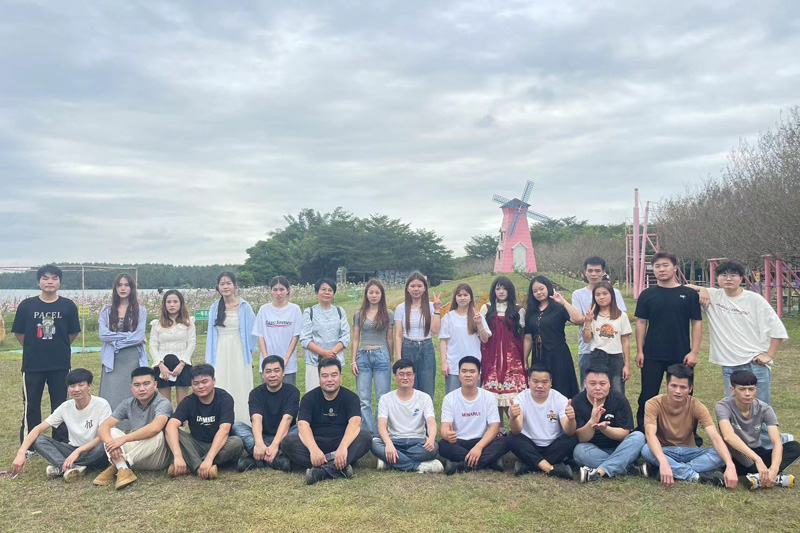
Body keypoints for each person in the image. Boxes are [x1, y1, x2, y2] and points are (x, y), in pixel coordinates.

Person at [687, 260, 788, 447]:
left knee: (760, 408)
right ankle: (742, 447)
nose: (728, 279)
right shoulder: (714, 296)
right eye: (723, 275)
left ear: (741, 278)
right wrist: (702, 290)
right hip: (729, 365)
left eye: (733, 275)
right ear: (717, 278)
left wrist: (769, 355)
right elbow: (683, 287)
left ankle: (769, 445)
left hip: (755, 363)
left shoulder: (754, 300)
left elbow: (777, 330)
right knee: (736, 408)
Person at [12, 264, 80, 444]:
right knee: (31, 406)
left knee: (61, 405)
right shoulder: (26, 306)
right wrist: (34, 347)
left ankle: (60, 442)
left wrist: (57, 346)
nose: (50, 282)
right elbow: (19, 333)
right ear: (38, 282)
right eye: (45, 278)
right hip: (33, 365)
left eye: (54, 278)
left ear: (60, 282)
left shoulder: (68, 306)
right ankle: (30, 444)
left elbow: (72, 333)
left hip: (60, 365)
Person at [634, 252, 702, 429]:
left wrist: (694, 352)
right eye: (657, 266)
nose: (661, 269)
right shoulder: (647, 294)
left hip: (681, 354)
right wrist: (640, 350)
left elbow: (696, 323)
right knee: (648, 395)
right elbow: (641, 322)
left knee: (683, 394)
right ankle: (643, 430)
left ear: (675, 268)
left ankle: (687, 432)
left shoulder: (688, 294)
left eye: (665, 265)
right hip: (652, 353)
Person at [640, 364, 737, 488]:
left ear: (690, 389)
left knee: (721, 454)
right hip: (665, 451)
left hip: (689, 450)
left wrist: (730, 465)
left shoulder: (697, 406)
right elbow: (650, 434)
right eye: (674, 386)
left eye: (683, 387)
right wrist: (663, 462)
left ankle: (670, 470)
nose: (678, 391)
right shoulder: (653, 404)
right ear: (666, 385)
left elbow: (715, 437)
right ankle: (696, 476)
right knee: (646, 450)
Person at [281, 359, 372, 484]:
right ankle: (339, 467)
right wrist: (313, 449)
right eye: (325, 376)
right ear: (319, 379)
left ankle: (321, 472)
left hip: (341, 441)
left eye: (334, 375)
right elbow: (302, 424)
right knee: (288, 441)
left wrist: (343, 448)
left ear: (341, 377)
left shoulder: (351, 397)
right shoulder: (309, 398)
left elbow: (355, 423)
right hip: (316, 442)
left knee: (366, 437)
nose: (329, 379)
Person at [12, 368, 111, 482]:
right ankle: (67, 467)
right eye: (72, 386)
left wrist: (78, 451)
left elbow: (103, 436)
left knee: (104, 444)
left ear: (89, 386)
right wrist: (21, 452)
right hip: (72, 449)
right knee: (38, 439)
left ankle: (65, 466)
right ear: (68, 388)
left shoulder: (102, 404)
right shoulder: (65, 407)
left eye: (81, 385)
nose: (76, 389)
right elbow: (38, 428)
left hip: (95, 451)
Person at [715, 370, 798, 489]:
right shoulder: (723, 406)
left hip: (757, 449)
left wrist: (774, 468)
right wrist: (758, 460)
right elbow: (729, 437)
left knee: (795, 447)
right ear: (733, 390)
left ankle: (764, 476)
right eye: (742, 389)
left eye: (751, 389)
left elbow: (776, 441)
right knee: (750, 461)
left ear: (756, 389)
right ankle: (771, 478)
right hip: (737, 451)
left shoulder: (764, 408)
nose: (747, 393)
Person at [93, 367, 173, 490]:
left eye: (146, 384)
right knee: (111, 431)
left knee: (158, 434)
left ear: (155, 384)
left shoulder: (163, 403)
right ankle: (123, 468)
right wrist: (111, 443)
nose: (142, 389)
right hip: (137, 454)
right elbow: (104, 426)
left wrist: (124, 439)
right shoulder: (127, 403)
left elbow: (155, 427)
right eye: (137, 385)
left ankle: (119, 465)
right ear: (131, 387)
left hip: (157, 456)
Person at [165, 364, 244, 480]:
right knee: (170, 430)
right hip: (196, 444)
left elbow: (224, 430)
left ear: (214, 381)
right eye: (196, 383)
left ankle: (192, 465)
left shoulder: (224, 398)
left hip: (220, 445)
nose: (200, 386)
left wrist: (209, 459)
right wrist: (178, 456)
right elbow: (171, 425)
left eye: (205, 382)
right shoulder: (188, 401)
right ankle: (201, 469)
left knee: (236, 443)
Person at [571, 365, 645, 482]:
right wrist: (592, 421)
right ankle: (628, 467)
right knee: (579, 451)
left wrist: (605, 429)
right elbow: (582, 438)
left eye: (602, 383)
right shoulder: (577, 402)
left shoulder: (619, 399)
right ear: (585, 383)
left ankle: (599, 472)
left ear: (609, 383)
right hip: (593, 449)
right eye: (592, 384)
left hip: (619, 447)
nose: (598, 388)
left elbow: (624, 433)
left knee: (638, 437)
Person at [439, 356, 508, 475]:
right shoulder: (449, 398)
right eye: (464, 371)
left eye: (472, 371)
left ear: (479, 375)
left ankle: (459, 465)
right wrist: (447, 434)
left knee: (504, 442)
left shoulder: (488, 397)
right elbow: (445, 427)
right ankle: (490, 462)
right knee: (443, 446)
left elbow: (494, 427)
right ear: (459, 374)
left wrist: (478, 447)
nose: (468, 375)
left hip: (482, 440)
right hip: (459, 441)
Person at [506, 364, 577, 479]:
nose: (540, 386)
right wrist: (513, 418)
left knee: (572, 438)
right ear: (529, 381)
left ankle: (529, 464)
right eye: (535, 381)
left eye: (544, 382)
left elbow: (569, 431)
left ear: (551, 383)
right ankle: (552, 467)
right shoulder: (520, 399)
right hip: (530, 444)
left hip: (553, 445)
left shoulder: (559, 399)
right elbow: (516, 430)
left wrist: (571, 419)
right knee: (512, 438)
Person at [372, 360, 442, 473]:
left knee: (433, 447)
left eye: (409, 374)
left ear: (414, 376)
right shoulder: (386, 399)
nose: (405, 378)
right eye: (401, 374)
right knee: (374, 444)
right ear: (395, 376)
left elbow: (431, 423)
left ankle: (390, 460)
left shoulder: (424, 398)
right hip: (394, 441)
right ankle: (418, 466)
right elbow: (381, 426)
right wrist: (389, 444)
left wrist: (431, 439)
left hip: (418, 441)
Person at [231, 356, 299, 473]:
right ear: (263, 374)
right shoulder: (256, 393)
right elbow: (256, 419)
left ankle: (257, 460)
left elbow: (287, 419)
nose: (272, 375)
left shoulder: (292, 392)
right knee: (237, 427)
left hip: (284, 436)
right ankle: (276, 459)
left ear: (283, 373)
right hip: (261, 436)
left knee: (300, 428)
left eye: (276, 371)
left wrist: (275, 445)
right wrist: (259, 443)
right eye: (268, 371)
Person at [206, 271, 257, 424]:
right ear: (218, 287)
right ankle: (221, 420)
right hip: (220, 350)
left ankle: (242, 420)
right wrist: (209, 357)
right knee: (221, 381)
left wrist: (249, 351)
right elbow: (211, 334)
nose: (225, 287)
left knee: (240, 382)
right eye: (222, 284)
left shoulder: (245, 306)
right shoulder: (215, 307)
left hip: (239, 350)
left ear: (235, 286)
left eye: (228, 283)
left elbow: (252, 331)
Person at [99, 274, 149, 426]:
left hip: (132, 358)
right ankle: (110, 428)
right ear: (115, 288)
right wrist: (127, 336)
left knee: (132, 392)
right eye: (119, 285)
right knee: (111, 393)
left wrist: (115, 342)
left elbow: (138, 336)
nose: (123, 288)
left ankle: (131, 427)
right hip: (112, 358)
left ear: (132, 288)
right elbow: (103, 335)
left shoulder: (140, 310)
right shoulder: (106, 310)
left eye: (126, 285)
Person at [524, 276, 585, 398]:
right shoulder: (531, 311)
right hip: (539, 355)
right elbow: (528, 338)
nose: (538, 293)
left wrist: (563, 302)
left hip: (558, 354)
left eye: (541, 289)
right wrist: (525, 359)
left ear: (548, 288)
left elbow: (579, 319)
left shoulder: (558, 308)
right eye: (535, 291)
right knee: (541, 386)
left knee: (561, 386)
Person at [571, 257, 627, 386]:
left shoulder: (615, 293)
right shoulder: (578, 294)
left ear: (603, 272)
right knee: (589, 388)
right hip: (587, 349)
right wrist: (588, 320)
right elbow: (576, 319)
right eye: (590, 271)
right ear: (585, 272)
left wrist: (592, 319)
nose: (594, 274)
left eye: (597, 271)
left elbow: (619, 317)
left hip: (613, 350)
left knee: (615, 388)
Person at [480, 276, 527, 426]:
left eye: (504, 288)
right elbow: (482, 334)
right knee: (493, 396)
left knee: (512, 397)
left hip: (512, 358)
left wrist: (525, 359)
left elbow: (522, 336)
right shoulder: (486, 309)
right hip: (492, 357)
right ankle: (497, 429)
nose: (501, 291)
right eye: (498, 288)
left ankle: (516, 428)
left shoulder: (518, 310)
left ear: (510, 290)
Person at [351, 278, 394, 434]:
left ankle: (380, 431)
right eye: (371, 292)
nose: (374, 295)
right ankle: (368, 432)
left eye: (377, 292)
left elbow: (390, 338)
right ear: (366, 294)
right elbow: (356, 339)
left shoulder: (388, 314)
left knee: (382, 397)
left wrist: (391, 359)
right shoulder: (359, 314)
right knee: (364, 399)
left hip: (381, 355)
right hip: (363, 356)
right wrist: (353, 360)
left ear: (382, 295)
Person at [394, 271, 442, 399]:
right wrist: (399, 358)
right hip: (407, 347)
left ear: (425, 288)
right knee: (409, 386)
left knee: (427, 386)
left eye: (419, 286)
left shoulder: (431, 306)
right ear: (407, 288)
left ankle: (427, 412)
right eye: (413, 286)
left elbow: (435, 330)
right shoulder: (401, 308)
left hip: (426, 348)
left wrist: (437, 310)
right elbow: (398, 335)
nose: (416, 289)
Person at [581, 281, 632, 394]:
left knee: (617, 391)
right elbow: (587, 339)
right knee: (597, 390)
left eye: (605, 293)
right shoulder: (592, 316)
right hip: (597, 356)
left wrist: (627, 365)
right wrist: (588, 321)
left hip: (616, 357)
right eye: (597, 294)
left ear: (611, 295)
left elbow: (625, 341)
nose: (601, 297)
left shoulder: (621, 316)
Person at [300, 277, 350, 393]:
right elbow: (305, 339)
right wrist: (323, 353)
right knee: (313, 394)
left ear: (333, 293)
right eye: (323, 289)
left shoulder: (340, 311)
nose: (326, 292)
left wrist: (332, 353)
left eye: (330, 290)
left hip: (335, 361)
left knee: (333, 393)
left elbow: (345, 336)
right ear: (317, 292)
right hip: (314, 361)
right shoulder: (309, 312)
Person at [440, 283, 490, 395]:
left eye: (465, 295)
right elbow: (443, 341)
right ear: (455, 297)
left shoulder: (477, 316)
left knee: (473, 397)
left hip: (474, 364)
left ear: (470, 297)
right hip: (453, 365)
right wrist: (444, 362)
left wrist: (479, 324)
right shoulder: (448, 317)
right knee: (453, 396)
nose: (462, 298)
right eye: (459, 295)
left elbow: (485, 339)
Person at [252, 275, 302, 386]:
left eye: (281, 289)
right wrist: (266, 359)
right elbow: (260, 335)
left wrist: (286, 359)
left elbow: (296, 336)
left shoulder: (295, 309)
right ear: (271, 291)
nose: (278, 293)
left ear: (287, 290)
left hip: (288, 364)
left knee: (288, 393)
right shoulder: (263, 310)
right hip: (267, 363)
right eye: (275, 290)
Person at [150, 289, 196, 406]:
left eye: (175, 302)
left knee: (182, 402)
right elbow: (153, 345)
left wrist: (182, 364)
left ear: (181, 304)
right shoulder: (157, 324)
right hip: (163, 366)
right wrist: (160, 365)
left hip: (182, 364)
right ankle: (166, 419)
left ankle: (181, 419)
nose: (172, 305)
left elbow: (191, 343)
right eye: (169, 302)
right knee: (165, 403)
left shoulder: (188, 322)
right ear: (164, 304)